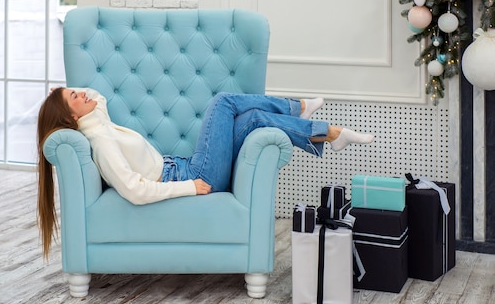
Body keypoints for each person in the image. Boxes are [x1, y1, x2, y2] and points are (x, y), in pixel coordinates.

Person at [36, 87, 374, 256]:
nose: (82, 92)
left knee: (253, 119)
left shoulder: (98, 122)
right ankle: (300, 110)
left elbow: (97, 97)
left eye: (75, 89)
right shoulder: (100, 140)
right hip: (191, 176)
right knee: (224, 101)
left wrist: (61, 97)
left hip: (182, 165)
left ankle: (330, 134)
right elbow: (134, 190)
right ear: (73, 118)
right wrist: (188, 188)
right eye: (74, 96)